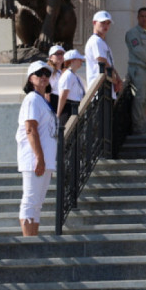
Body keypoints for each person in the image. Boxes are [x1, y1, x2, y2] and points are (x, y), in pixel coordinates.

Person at [16, 60, 59, 236]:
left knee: (37, 203)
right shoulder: (32, 99)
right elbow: (30, 129)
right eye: (40, 73)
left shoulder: (43, 101)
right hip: (35, 159)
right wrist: (39, 158)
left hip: (45, 160)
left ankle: (32, 239)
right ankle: (27, 241)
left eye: (47, 74)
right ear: (30, 78)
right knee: (30, 200)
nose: (44, 77)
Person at [126, 7, 146, 134]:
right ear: (138, 18)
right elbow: (138, 50)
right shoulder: (133, 33)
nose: (144, 19)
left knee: (145, 99)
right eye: (142, 16)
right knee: (139, 98)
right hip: (139, 69)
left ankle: (143, 125)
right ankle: (137, 128)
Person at [85, 10, 122, 98]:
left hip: (106, 89)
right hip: (99, 89)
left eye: (108, 23)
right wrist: (116, 80)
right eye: (102, 23)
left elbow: (109, 64)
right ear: (94, 23)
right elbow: (102, 61)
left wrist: (118, 78)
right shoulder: (95, 41)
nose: (106, 26)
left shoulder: (102, 42)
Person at [56, 50, 86, 124]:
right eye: (79, 59)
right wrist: (58, 114)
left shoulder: (74, 75)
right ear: (72, 61)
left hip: (75, 107)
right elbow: (63, 95)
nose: (81, 61)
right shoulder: (68, 75)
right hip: (69, 109)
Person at [46, 45, 65, 112]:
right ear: (50, 57)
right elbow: (47, 92)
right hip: (54, 102)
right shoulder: (49, 72)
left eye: (62, 54)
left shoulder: (62, 71)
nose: (60, 56)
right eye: (57, 54)